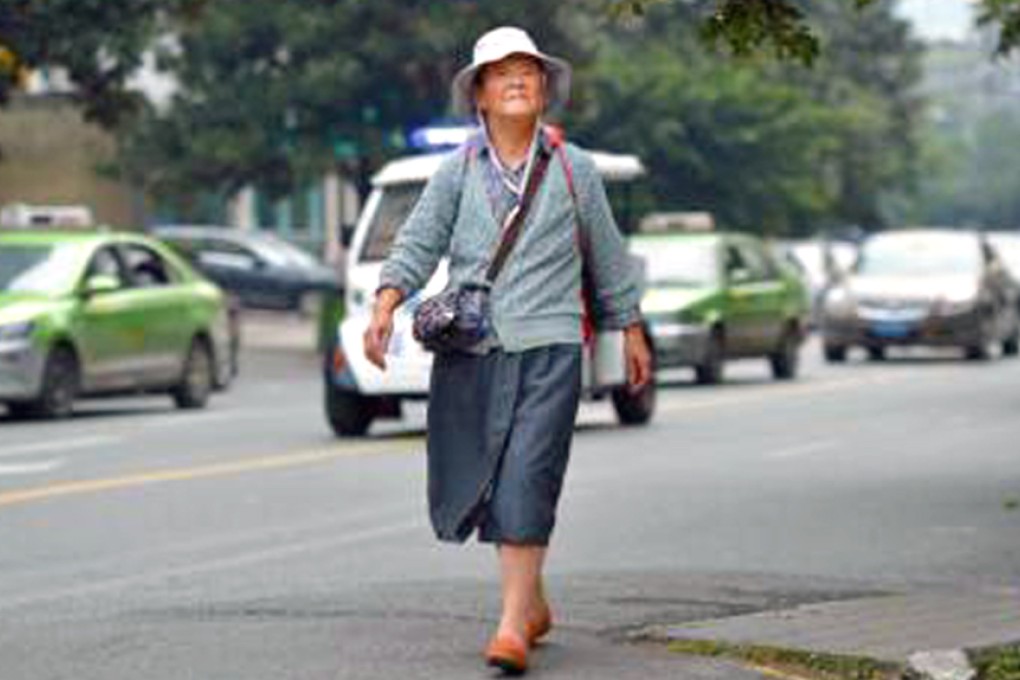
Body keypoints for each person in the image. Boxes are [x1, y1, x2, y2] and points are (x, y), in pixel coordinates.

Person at [363, 26, 652, 675]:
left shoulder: (574, 168)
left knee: (528, 475)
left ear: (544, 88)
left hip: (551, 347)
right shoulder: (458, 170)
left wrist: (630, 327)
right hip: (473, 350)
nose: (517, 79)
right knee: (490, 484)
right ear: (481, 95)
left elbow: (606, 254)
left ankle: (510, 627)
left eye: (528, 69)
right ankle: (532, 603)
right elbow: (418, 241)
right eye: (501, 72)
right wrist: (385, 304)